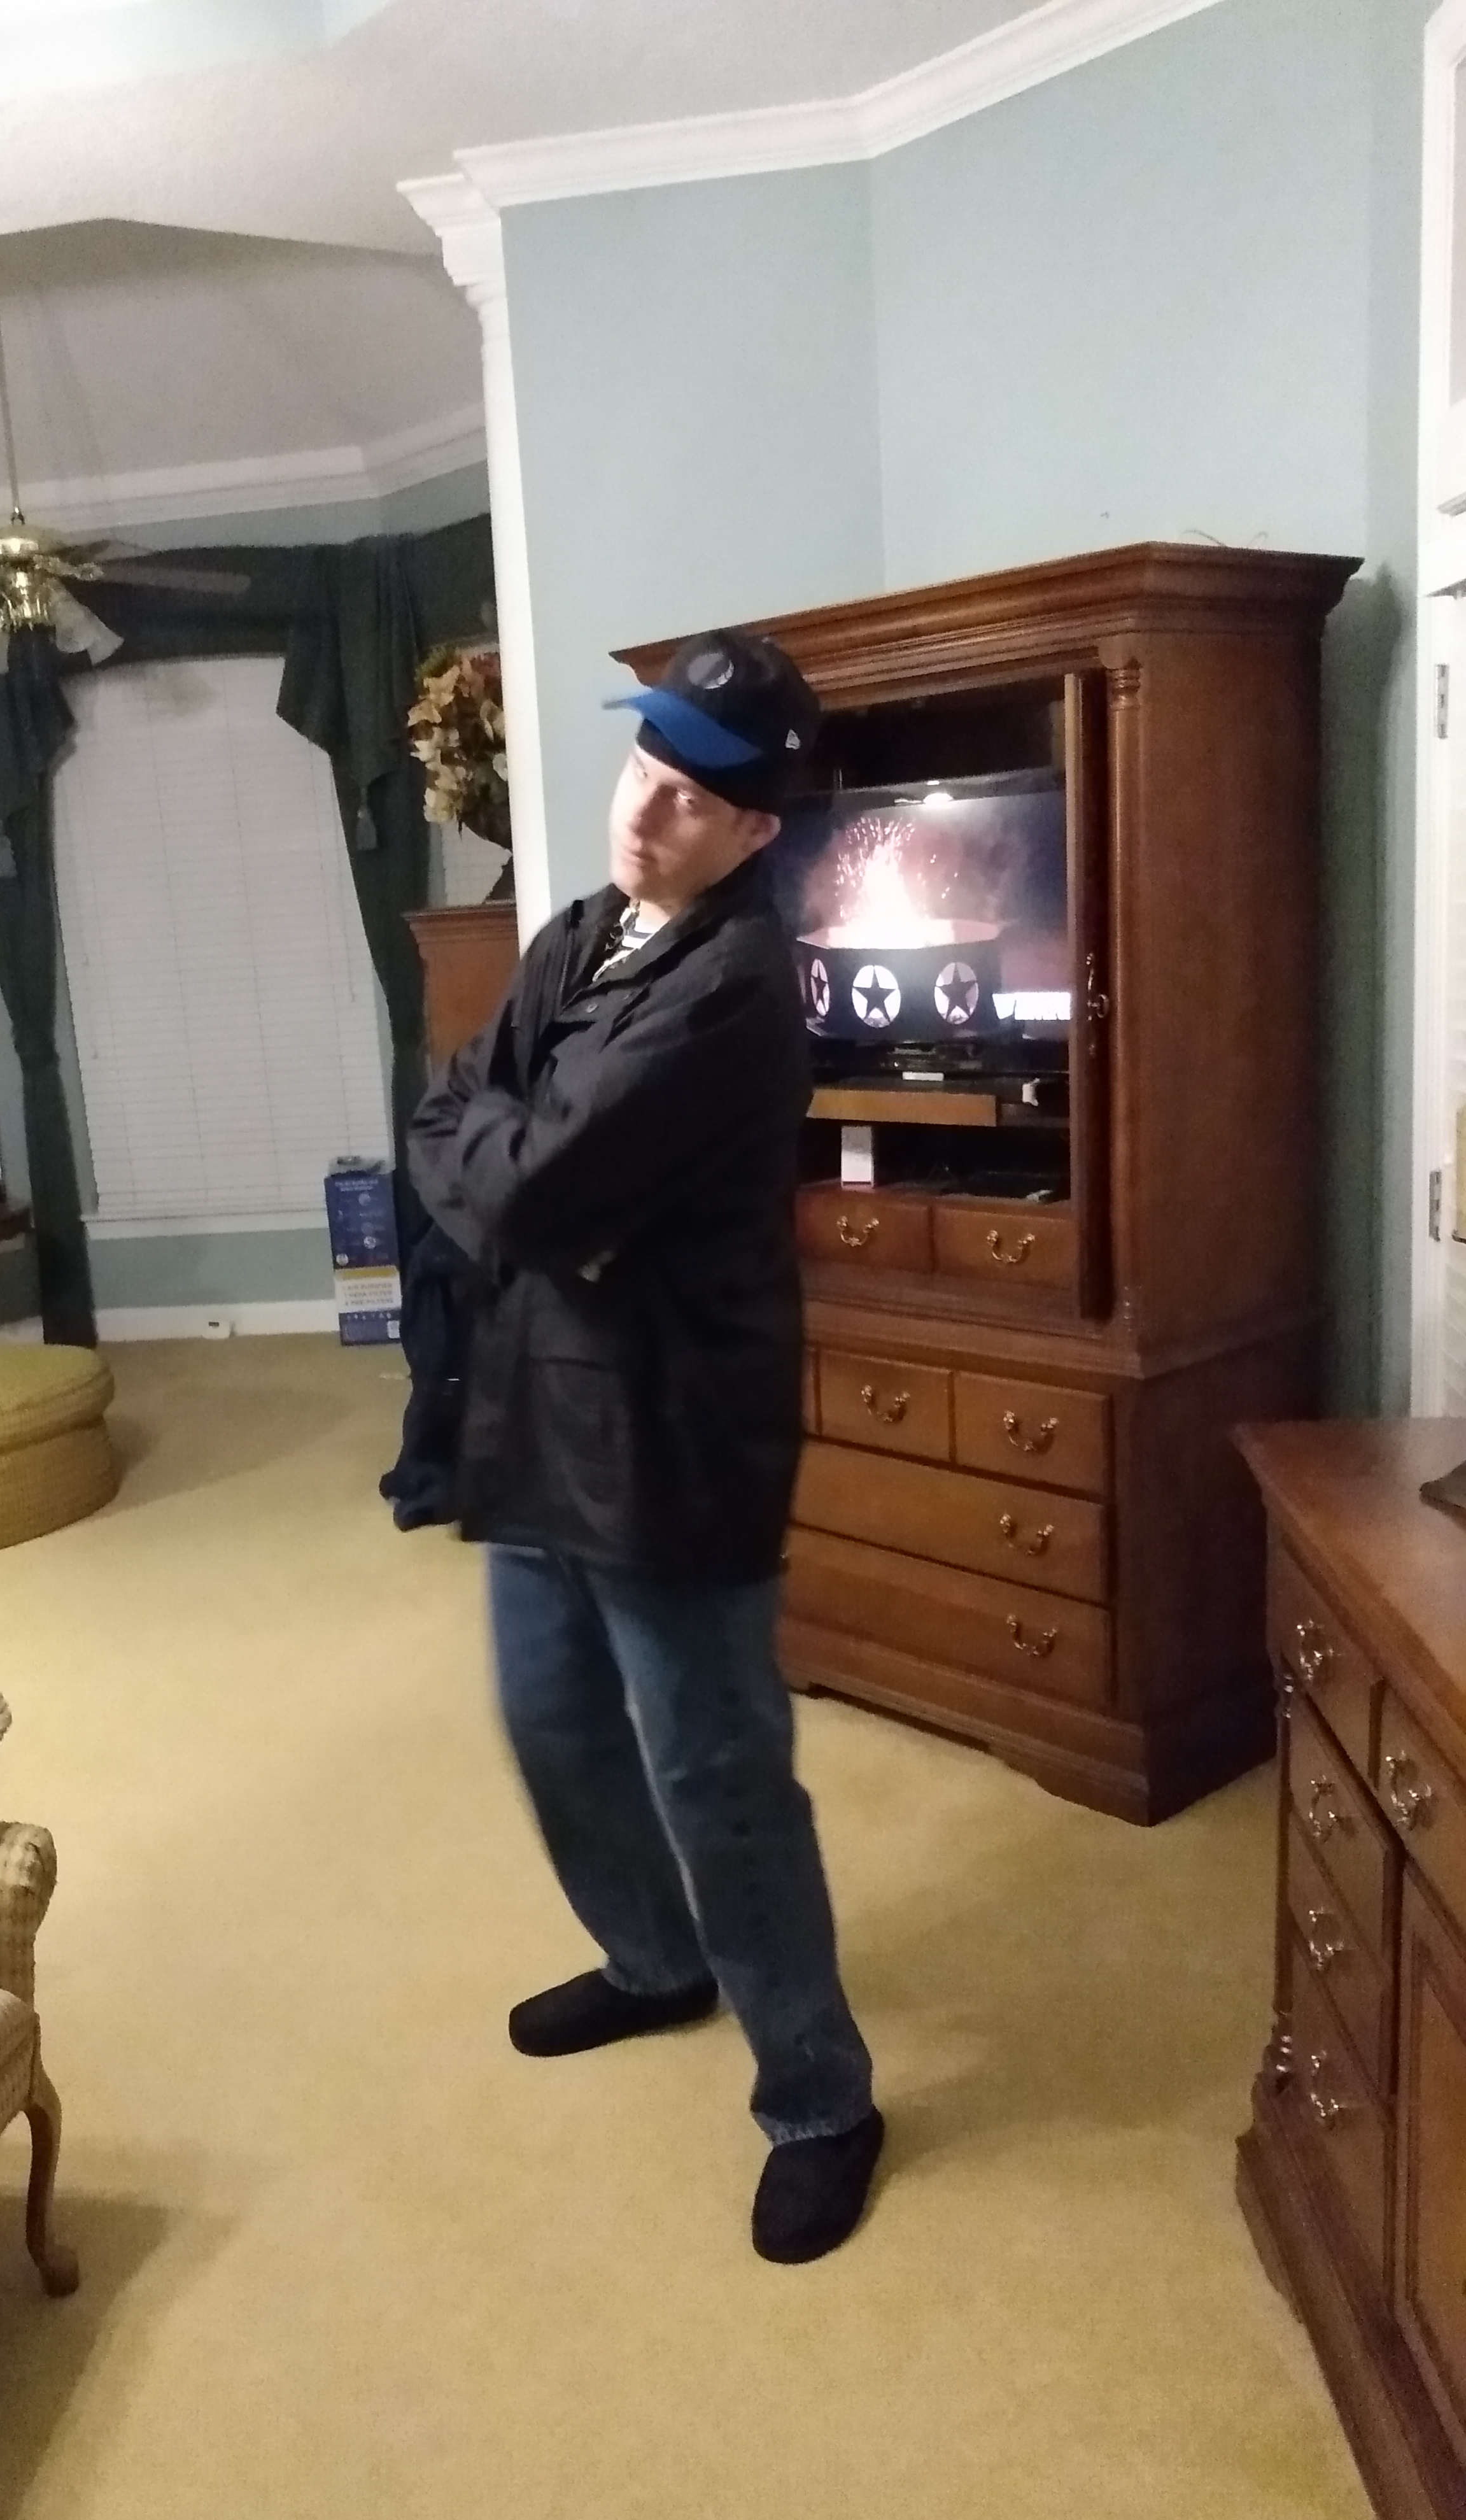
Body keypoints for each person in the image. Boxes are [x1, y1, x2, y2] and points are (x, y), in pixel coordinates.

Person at [407, 627, 880, 2265]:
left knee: (720, 1778)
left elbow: (526, 1192)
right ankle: (657, 1960)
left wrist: (527, 1189)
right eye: (642, 767)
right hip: (540, 1405)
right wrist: (526, 1187)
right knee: (551, 1725)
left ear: (755, 829)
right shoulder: (583, 932)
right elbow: (452, 1118)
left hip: (673, 1431)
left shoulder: (734, 993)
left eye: (689, 797)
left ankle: (820, 2097)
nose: (646, 808)